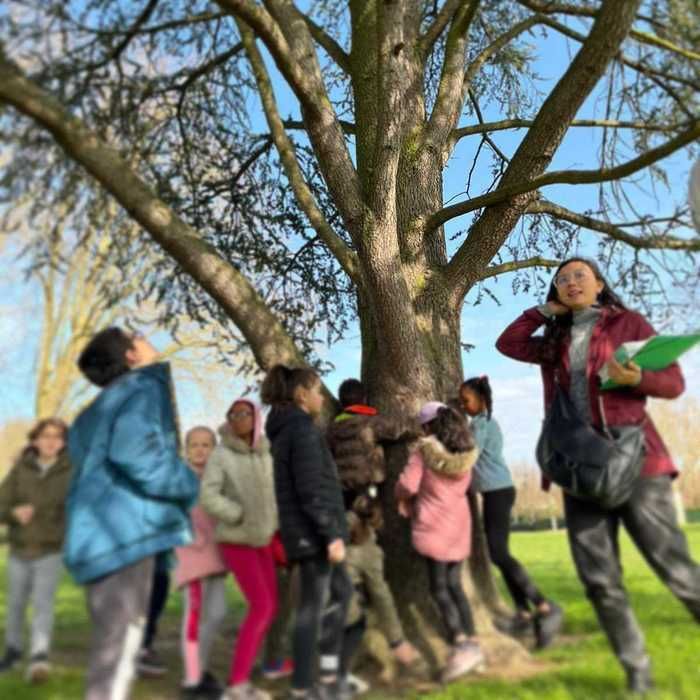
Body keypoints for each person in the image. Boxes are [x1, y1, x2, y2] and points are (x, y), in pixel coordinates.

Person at [496, 257, 700, 694]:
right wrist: (542, 313)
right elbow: (507, 343)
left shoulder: (627, 323)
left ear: (599, 285)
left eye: (579, 276)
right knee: (600, 581)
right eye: (562, 279)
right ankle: (637, 669)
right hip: (578, 469)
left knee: (677, 570)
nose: (570, 283)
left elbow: (674, 383)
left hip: (636, 463)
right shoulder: (553, 338)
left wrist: (638, 375)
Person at [66, 326, 199, 700]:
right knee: (117, 656)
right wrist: (188, 483)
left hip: (104, 535)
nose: (146, 337)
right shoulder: (139, 390)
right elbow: (137, 456)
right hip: (124, 537)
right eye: (137, 334)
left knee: (115, 651)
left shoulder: (96, 409)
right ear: (130, 355)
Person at [262, 365, 353, 700]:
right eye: (316, 390)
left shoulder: (294, 428)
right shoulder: (299, 431)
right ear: (301, 394)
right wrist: (330, 535)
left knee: (341, 594)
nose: (320, 396)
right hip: (313, 534)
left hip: (312, 532)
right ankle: (303, 687)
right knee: (311, 610)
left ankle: (327, 677)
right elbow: (311, 489)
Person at [459, 376, 563, 647]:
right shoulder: (479, 424)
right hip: (495, 492)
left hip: (498, 492)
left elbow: (470, 454)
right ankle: (523, 611)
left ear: (482, 400)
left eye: (465, 400)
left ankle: (542, 605)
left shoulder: (482, 424)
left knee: (499, 553)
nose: (463, 405)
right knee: (498, 554)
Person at [395, 402, 482, 683]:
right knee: (455, 585)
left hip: (434, 525)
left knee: (439, 588)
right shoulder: (465, 450)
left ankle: (460, 643)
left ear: (428, 426)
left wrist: (401, 497)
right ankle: (473, 642)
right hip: (458, 524)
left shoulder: (424, 451)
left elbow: (408, 485)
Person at [200, 399, 279, 700]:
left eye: (244, 413)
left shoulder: (264, 451)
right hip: (236, 539)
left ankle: (244, 676)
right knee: (261, 607)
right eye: (233, 415)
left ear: (256, 418)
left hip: (264, 539)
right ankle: (236, 685)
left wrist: (274, 524)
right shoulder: (222, 454)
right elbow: (208, 495)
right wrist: (236, 514)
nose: (238, 418)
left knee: (270, 607)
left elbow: (271, 494)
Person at [0, 418, 72, 683]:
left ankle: (39, 655)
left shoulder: (72, 470)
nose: (51, 441)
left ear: (64, 442)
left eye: (57, 436)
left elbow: (78, 509)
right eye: (45, 436)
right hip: (19, 549)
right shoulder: (21, 468)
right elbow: (1, 505)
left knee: (43, 605)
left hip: (51, 550)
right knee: (16, 604)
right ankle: (13, 651)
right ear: (35, 440)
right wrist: (13, 512)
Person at [339, 493, 424, 694]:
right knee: (354, 622)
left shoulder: (339, 524)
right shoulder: (368, 549)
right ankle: (337, 677)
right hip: (338, 594)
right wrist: (397, 641)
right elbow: (382, 597)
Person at [175, 426, 228, 700]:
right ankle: (192, 679)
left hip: (217, 555)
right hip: (192, 555)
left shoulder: (217, 478)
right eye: (194, 444)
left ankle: (201, 666)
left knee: (218, 613)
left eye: (206, 444)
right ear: (186, 449)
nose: (199, 449)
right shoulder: (180, 479)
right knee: (194, 616)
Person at [326, 378, 419, 493]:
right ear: (365, 399)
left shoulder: (333, 428)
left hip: (342, 485)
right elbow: (398, 429)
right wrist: (423, 425)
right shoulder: (369, 423)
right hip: (367, 484)